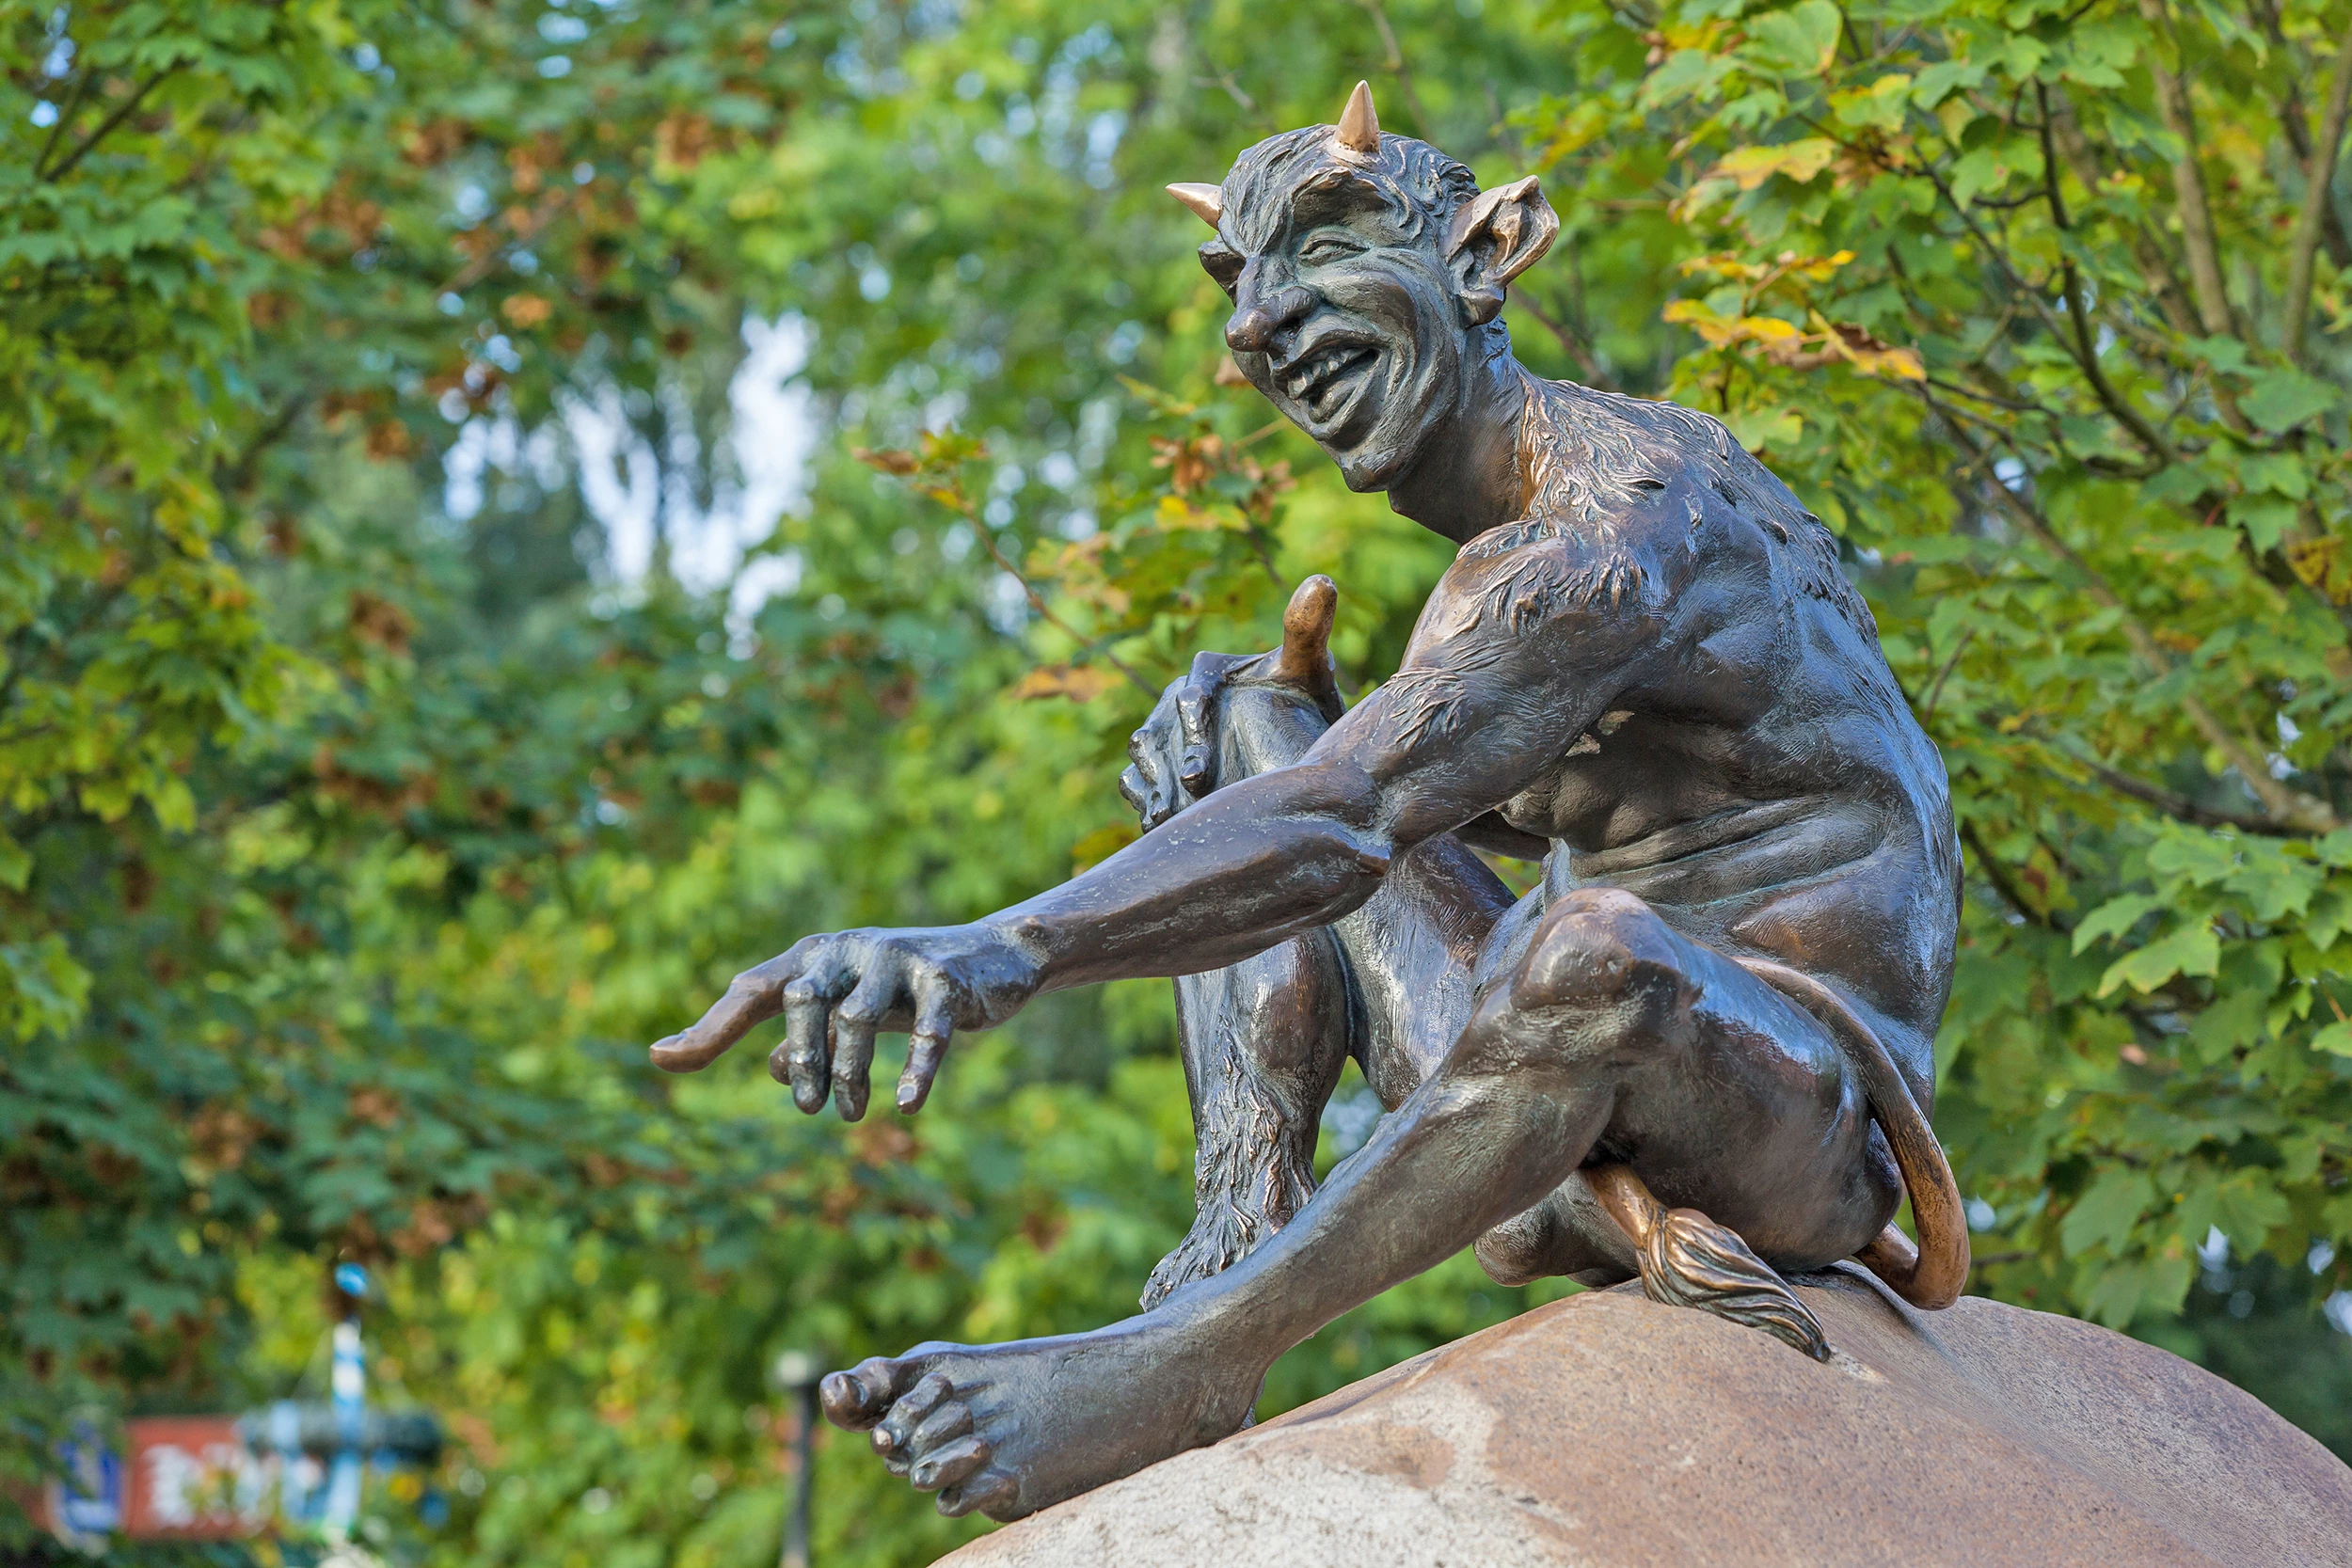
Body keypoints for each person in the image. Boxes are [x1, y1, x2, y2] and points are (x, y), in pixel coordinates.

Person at [648, 83, 1962, 1522]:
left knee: (1584, 941)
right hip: (1560, 1083)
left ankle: (1189, 1358)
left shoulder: (1627, 520)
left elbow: (1350, 820)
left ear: (1490, 254)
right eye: (1242, 282)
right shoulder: (1514, 571)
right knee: (1241, 717)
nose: (1256, 326)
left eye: (1327, 248)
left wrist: (999, 944)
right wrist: (1279, 737)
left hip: (1798, 1115)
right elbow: (1416, 791)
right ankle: (1236, 1229)